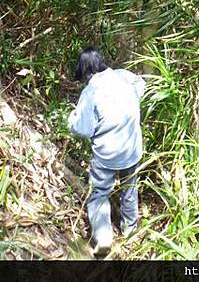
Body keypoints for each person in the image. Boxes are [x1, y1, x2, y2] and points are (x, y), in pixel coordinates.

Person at [68, 47, 145, 257]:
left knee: (99, 193)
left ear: (84, 71)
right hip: (132, 149)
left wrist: (71, 118)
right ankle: (130, 231)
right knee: (130, 188)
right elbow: (141, 84)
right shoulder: (123, 77)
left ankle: (103, 237)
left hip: (107, 154)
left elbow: (82, 128)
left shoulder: (91, 91)